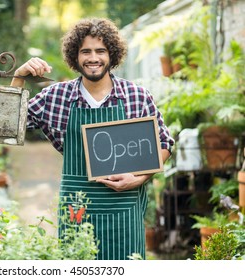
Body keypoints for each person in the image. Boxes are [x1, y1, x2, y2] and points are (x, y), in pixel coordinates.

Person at [10, 18, 175, 260]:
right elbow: (10, 121)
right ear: (74, 56)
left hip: (124, 211)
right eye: (85, 51)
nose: (93, 58)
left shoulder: (136, 96)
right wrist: (19, 76)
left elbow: (164, 143)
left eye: (100, 51)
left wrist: (138, 178)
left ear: (112, 54)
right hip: (77, 208)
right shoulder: (56, 97)